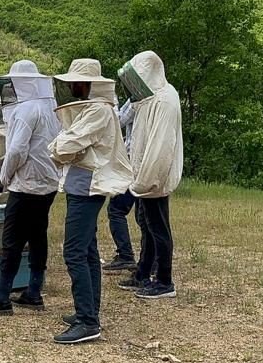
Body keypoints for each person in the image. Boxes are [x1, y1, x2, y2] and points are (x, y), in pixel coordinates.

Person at [46, 59, 134, 344]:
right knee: (86, 251)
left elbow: (69, 143)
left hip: (88, 187)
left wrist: (58, 147)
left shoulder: (98, 109)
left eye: (75, 82)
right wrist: (62, 145)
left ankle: (87, 320)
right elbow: (68, 140)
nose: (71, 86)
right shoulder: (92, 109)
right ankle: (88, 311)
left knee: (74, 252)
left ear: (87, 84)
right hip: (80, 185)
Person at [0, 60, 61, 316]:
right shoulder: (50, 105)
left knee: (12, 240)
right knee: (37, 235)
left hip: (27, 183)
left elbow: (18, 150)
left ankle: (1, 297)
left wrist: (5, 174)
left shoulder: (26, 110)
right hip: (48, 181)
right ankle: (33, 292)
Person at [115, 51, 184, 300]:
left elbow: (161, 147)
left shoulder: (165, 100)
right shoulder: (149, 99)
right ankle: (143, 272)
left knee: (158, 227)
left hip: (154, 178)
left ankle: (164, 280)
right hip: (144, 177)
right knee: (147, 224)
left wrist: (147, 180)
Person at [100, 98, 139, 273]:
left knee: (117, 209)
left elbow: (118, 121)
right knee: (145, 214)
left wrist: (111, 103)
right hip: (139, 161)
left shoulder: (138, 99)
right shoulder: (153, 97)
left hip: (133, 161)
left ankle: (126, 255)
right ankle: (150, 260)